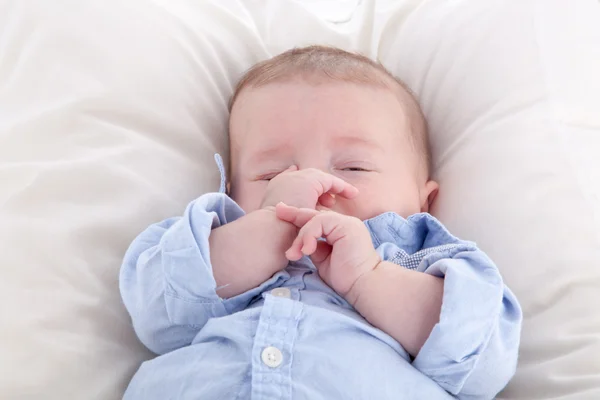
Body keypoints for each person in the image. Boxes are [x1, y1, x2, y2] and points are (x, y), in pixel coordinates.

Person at [119, 46, 522, 399]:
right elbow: (156, 313)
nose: (313, 185)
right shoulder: (209, 241)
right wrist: (267, 229)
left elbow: (484, 362)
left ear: (424, 201)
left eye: (353, 167)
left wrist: (370, 276)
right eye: (272, 174)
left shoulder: (422, 260)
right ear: (230, 190)